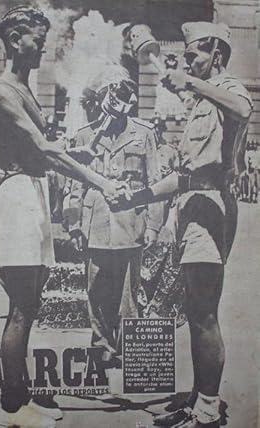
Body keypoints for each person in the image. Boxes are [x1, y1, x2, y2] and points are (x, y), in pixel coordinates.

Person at [0, 6, 128, 428]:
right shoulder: (2, 91)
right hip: (17, 197)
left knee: (30, 303)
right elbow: (45, 152)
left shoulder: (25, 89)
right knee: (21, 308)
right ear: (15, 40)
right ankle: (14, 408)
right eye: (36, 36)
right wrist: (100, 181)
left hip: (33, 192)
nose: (43, 44)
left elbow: (46, 153)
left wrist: (79, 154)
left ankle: (23, 397)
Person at [112, 22, 252, 428]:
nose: (186, 61)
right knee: (194, 309)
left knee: (205, 312)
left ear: (217, 55)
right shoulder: (203, 104)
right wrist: (136, 198)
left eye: (194, 56)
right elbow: (185, 175)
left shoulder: (229, 91)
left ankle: (207, 409)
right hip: (191, 204)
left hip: (210, 210)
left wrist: (189, 81)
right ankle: (198, 396)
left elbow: (245, 109)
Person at [67, 76, 163, 363]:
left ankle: (130, 349)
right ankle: (102, 348)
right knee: (96, 289)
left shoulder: (143, 134)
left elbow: (154, 181)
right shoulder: (86, 135)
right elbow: (75, 186)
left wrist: (154, 226)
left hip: (129, 223)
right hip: (94, 222)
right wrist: (74, 225)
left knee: (128, 295)